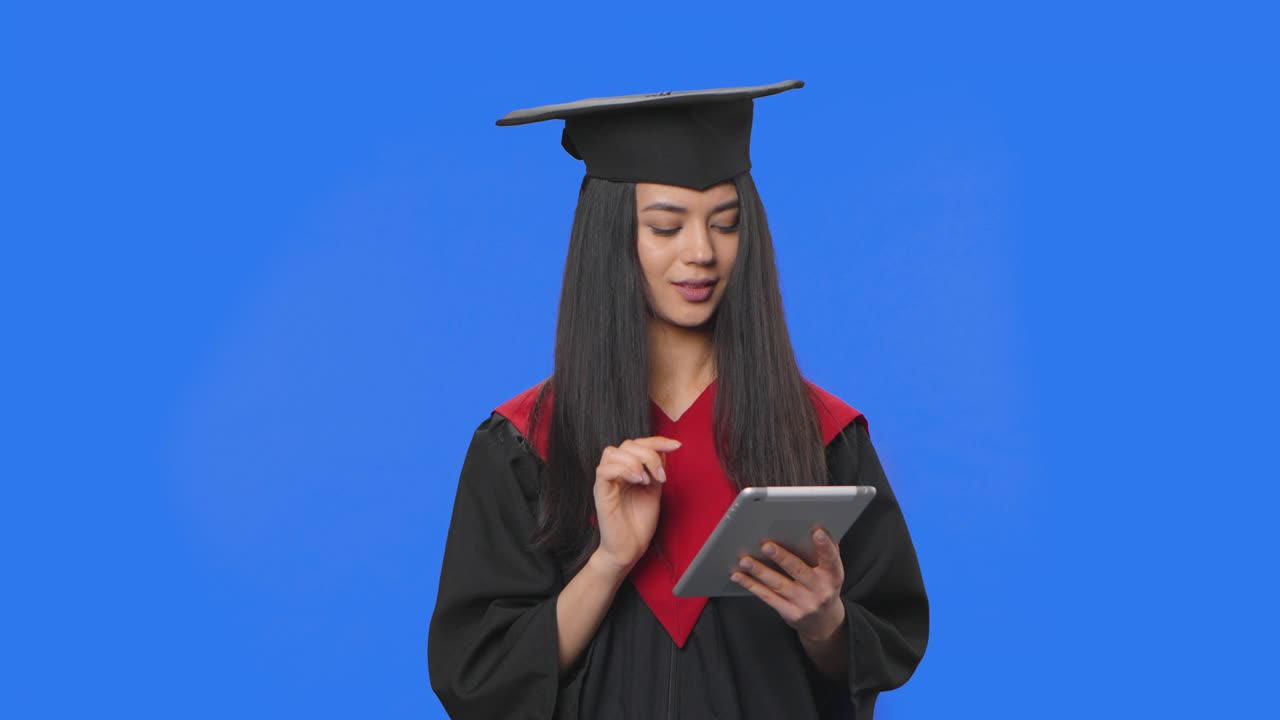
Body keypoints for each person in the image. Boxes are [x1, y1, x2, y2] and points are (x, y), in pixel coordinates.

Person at [427, 80, 928, 719]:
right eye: (666, 226)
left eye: (726, 224)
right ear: (612, 240)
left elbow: (881, 647)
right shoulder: (526, 442)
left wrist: (824, 621)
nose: (702, 253)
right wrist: (609, 561)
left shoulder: (821, 434)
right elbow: (480, 676)